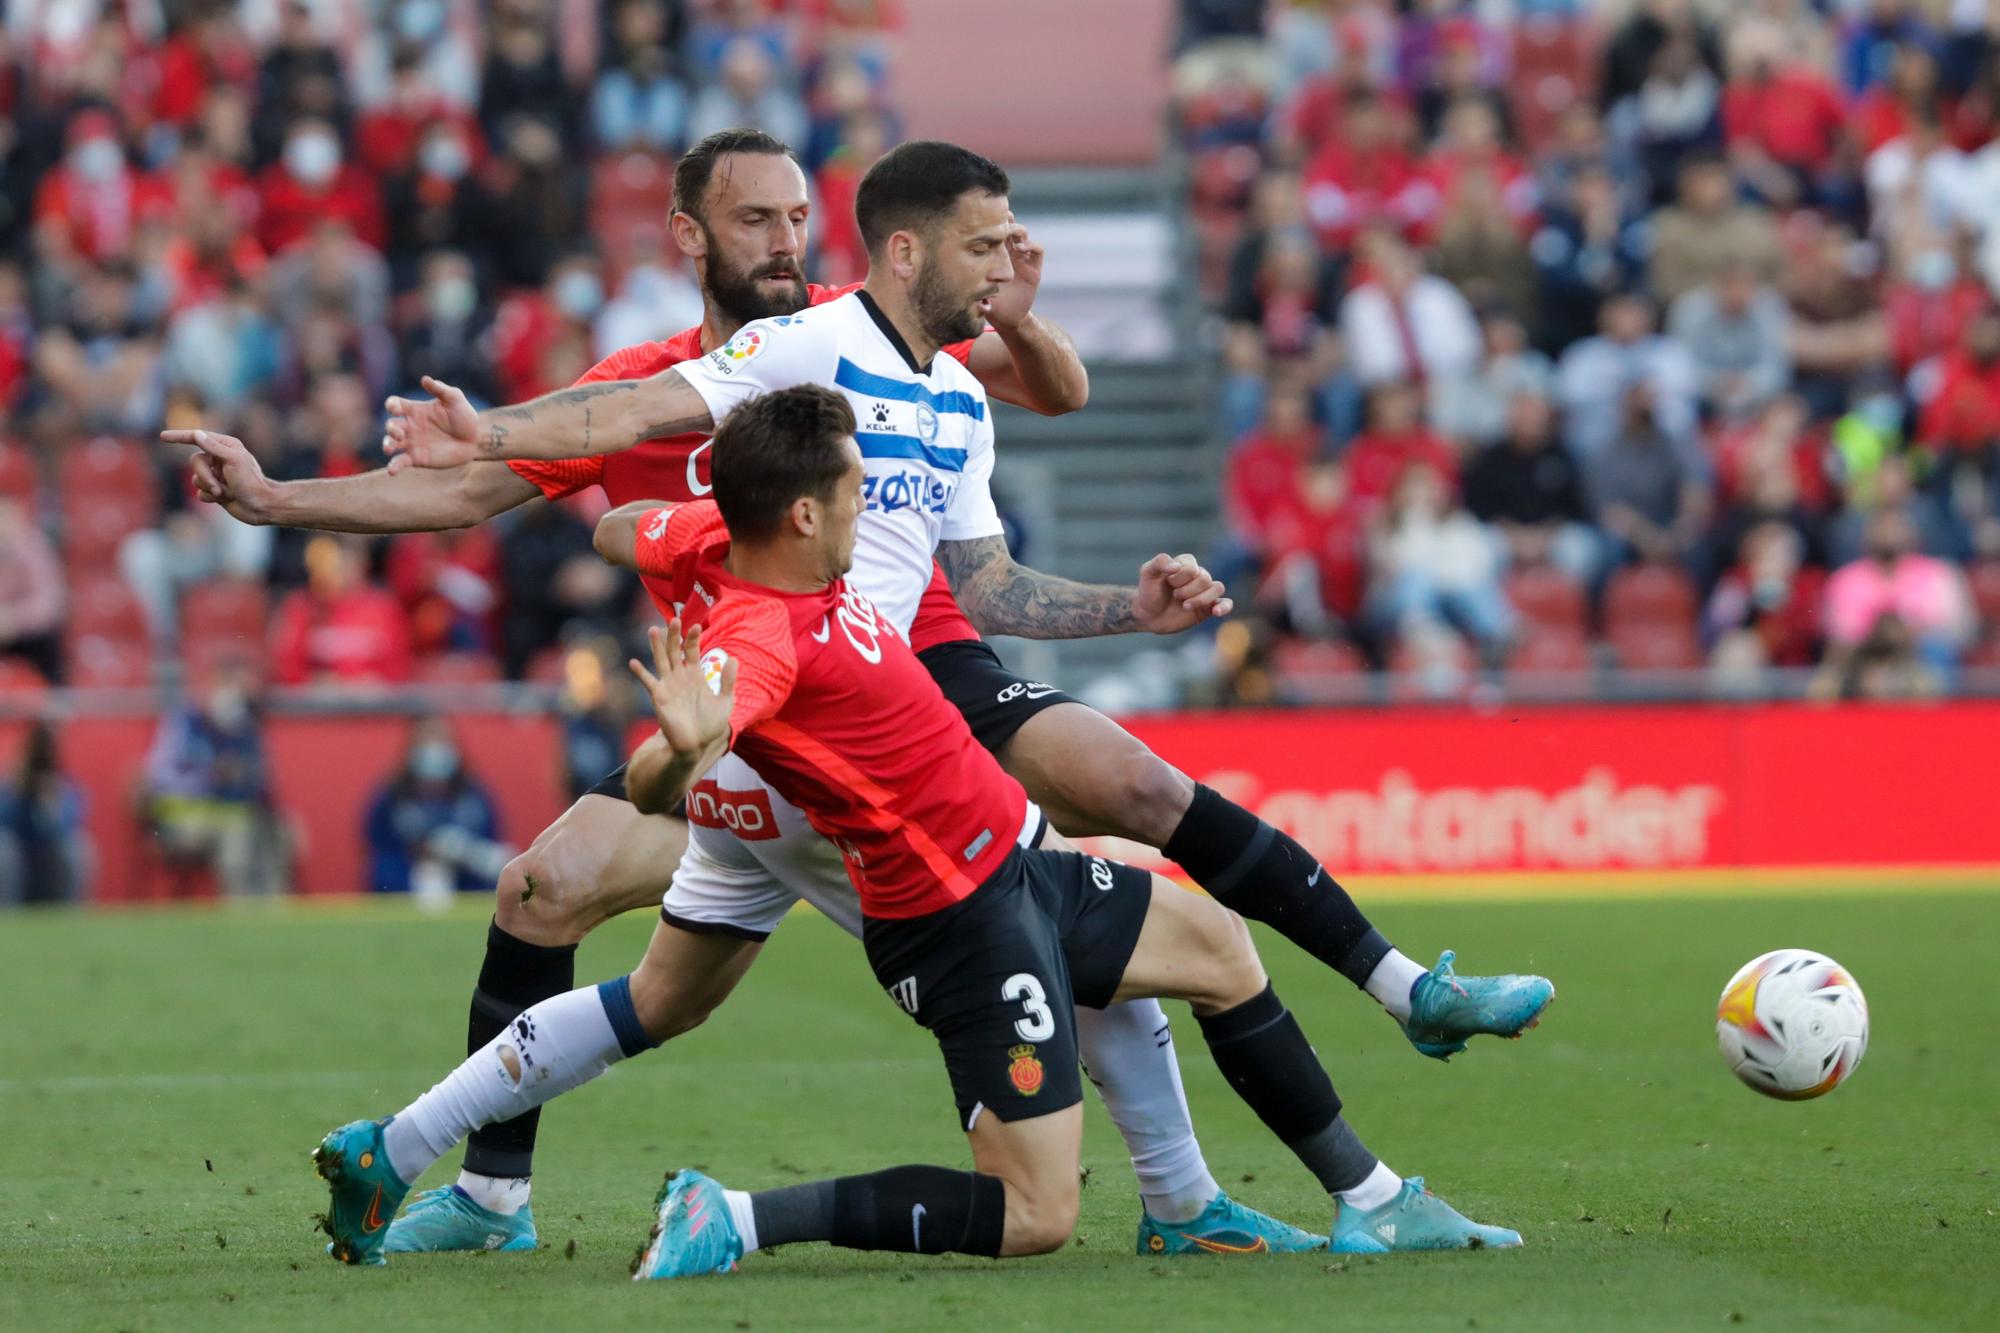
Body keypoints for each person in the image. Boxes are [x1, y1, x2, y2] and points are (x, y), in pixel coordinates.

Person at [347, 137, 1551, 1251]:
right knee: (1044, 1170)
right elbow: (630, 421)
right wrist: (498, 440)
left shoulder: (939, 399)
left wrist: (1126, 604)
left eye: (794, 216)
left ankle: (410, 1154)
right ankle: (744, 1217)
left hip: (864, 742)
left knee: (664, 989)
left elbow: (654, 525)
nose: (1008, 262)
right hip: (879, 776)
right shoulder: (799, 370)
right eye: (985, 244)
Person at [171, 128, 1235, 1254]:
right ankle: (488, 1199)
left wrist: (1012, 303)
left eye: (794, 218)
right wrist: (278, 500)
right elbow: (467, 487)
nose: (784, 242)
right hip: (728, 734)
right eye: (752, 220)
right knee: (548, 891)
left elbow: (1044, 383)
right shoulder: (638, 392)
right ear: (688, 235)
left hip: (862, 731)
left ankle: (1181, 1194)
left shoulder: (853, 332)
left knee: (1046, 919)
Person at [140, 663, 288, 897]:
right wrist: (207, 775)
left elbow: (266, 782)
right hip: (184, 821)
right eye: (230, 687)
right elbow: (158, 775)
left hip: (239, 817)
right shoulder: (185, 724)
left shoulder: (249, 731)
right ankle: (239, 913)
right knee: (236, 838)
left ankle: (272, 910)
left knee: (280, 833)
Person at [364, 718, 510, 897]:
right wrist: (424, 852)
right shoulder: (393, 795)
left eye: (441, 743)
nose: (435, 753)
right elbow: (376, 842)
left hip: (464, 875)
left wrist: (463, 850)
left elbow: (491, 840)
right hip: (408, 874)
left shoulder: (473, 796)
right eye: (426, 744)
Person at [0, 719, 91, 906]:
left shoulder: (63, 787)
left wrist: (50, 805)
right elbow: (4, 819)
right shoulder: (12, 784)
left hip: (49, 859)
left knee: (77, 848)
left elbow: (70, 824)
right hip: (18, 856)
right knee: (4, 849)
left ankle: (68, 916)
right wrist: (17, 791)